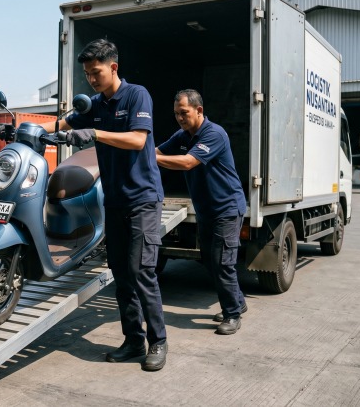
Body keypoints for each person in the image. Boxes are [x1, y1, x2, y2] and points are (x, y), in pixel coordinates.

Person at [41, 39, 168, 371]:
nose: (91, 79)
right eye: (86, 74)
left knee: (142, 271)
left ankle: (158, 341)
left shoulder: (136, 95)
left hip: (142, 199)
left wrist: (95, 134)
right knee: (121, 273)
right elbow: (59, 125)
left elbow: (138, 139)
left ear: (113, 67)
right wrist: (20, 131)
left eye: (95, 72)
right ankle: (133, 341)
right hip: (114, 200)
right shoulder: (93, 103)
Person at [155, 89, 247, 335]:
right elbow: (159, 151)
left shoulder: (213, 134)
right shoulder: (183, 135)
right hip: (206, 209)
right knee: (209, 258)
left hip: (226, 209)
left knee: (222, 262)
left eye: (184, 113)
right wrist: (137, 150)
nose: (180, 118)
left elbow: (187, 162)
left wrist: (150, 160)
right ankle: (237, 300)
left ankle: (232, 314)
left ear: (199, 110)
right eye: (176, 114)